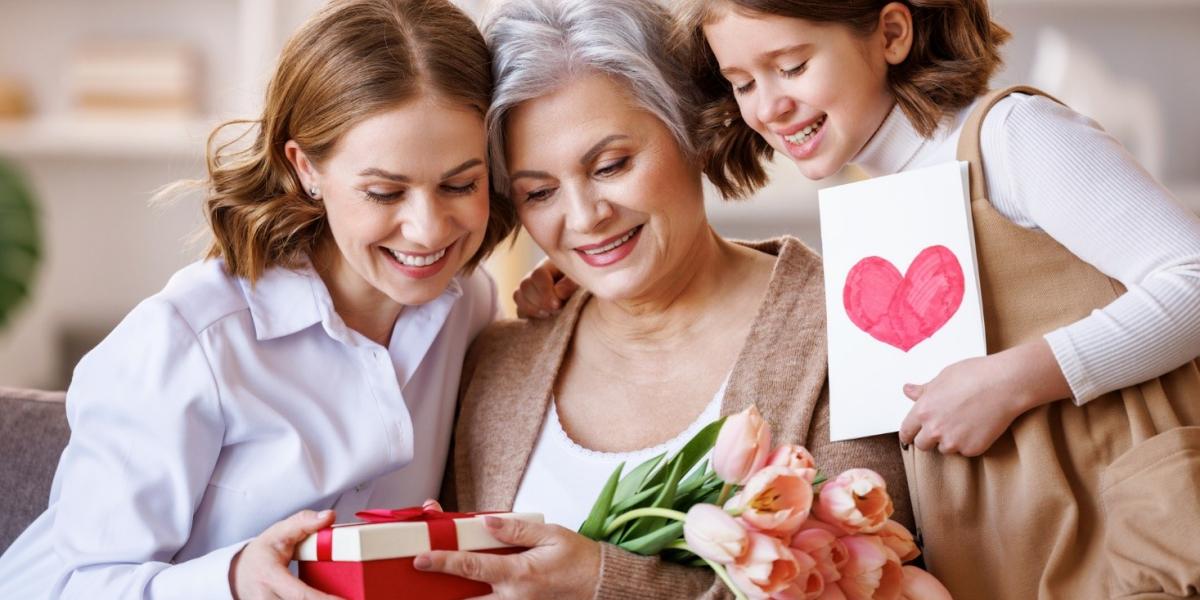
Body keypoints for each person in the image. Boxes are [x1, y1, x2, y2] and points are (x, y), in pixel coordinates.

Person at [512, 1, 1200, 598]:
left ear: (892, 34)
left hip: (1130, 534)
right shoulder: (879, 198)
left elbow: (1191, 276)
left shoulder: (1011, 135)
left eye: (791, 66)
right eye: (742, 82)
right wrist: (595, 264)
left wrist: (1014, 380)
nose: (768, 106)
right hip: (1013, 547)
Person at [0, 1, 516, 598]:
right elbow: (75, 583)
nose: (427, 231)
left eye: (461, 184)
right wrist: (233, 579)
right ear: (306, 169)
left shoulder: (466, 303)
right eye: (383, 192)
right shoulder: (191, 340)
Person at [411, 1, 913, 598]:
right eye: (539, 193)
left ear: (692, 131)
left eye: (611, 165)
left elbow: (881, 583)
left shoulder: (855, 333)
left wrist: (604, 582)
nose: (585, 218)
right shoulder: (494, 367)